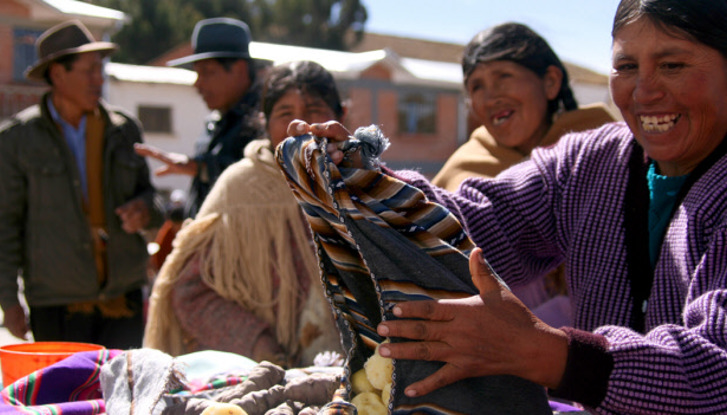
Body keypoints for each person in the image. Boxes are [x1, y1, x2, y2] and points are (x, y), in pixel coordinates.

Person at [287, 0, 727, 412]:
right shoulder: (589, 162)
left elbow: (717, 369)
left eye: (673, 65)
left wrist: (548, 353)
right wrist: (365, 183)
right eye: (626, 67)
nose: (644, 92)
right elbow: (483, 221)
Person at [143, 61, 345, 367]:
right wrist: (258, 344)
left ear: (339, 116)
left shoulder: (360, 182)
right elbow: (187, 290)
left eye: (315, 108)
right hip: (264, 374)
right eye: (285, 113)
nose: (300, 123)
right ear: (264, 122)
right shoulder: (238, 189)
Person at [433, 23, 615, 327]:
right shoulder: (463, 170)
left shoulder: (604, 151)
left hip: (609, 341)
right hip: (495, 348)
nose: (490, 97)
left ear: (551, 82)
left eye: (503, 76)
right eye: (476, 86)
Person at [0, 20, 164, 349]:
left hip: (123, 297)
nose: (99, 79)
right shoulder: (17, 139)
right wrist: (8, 301)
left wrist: (144, 211)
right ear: (57, 74)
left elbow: (152, 202)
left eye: (99, 69)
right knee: (66, 398)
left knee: (122, 398)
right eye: (89, 70)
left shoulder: (123, 128)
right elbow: (5, 225)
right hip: (57, 303)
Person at [134, 17, 264, 218]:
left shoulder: (268, 120)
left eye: (207, 72)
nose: (198, 84)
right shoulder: (215, 122)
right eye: (197, 73)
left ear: (239, 70)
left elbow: (260, 179)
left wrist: (200, 167)